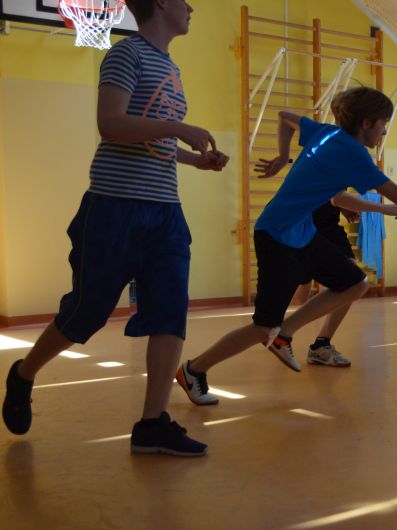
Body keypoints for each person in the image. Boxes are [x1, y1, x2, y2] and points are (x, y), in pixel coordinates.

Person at [2, 0, 228, 456]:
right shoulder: (126, 53)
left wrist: (194, 160)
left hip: (166, 212)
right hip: (114, 209)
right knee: (87, 313)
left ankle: (152, 424)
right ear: (161, 3)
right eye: (184, 0)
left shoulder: (171, 66)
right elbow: (111, 124)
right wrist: (178, 127)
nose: (191, 7)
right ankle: (23, 374)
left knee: (170, 311)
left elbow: (154, 140)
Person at [174, 86, 397, 406]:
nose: (384, 132)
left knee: (355, 283)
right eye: (383, 124)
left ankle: (284, 335)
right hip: (277, 235)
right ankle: (193, 370)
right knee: (263, 327)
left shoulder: (326, 132)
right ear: (366, 123)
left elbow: (284, 117)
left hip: (300, 232)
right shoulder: (354, 152)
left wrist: (283, 157)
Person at [286, 197, 397, 370]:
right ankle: (278, 330)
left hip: (329, 227)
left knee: (352, 280)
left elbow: (335, 194)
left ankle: (321, 344)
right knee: (301, 297)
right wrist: (383, 208)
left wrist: (342, 208)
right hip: (304, 228)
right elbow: (337, 196)